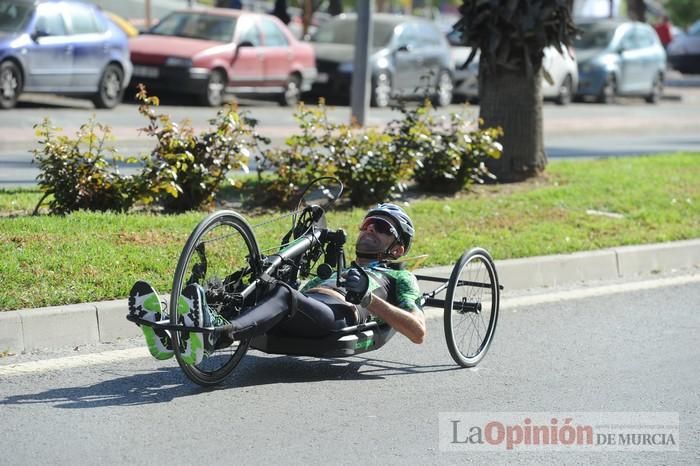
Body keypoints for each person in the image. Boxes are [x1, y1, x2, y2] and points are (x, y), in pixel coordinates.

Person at [128, 203, 426, 365]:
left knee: (284, 295)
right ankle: (168, 332)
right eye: (367, 224)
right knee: (262, 285)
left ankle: (214, 338)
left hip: (338, 315)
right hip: (301, 311)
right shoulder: (339, 264)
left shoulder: (399, 276)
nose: (370, 229)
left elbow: (418, 331)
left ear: (397, 249)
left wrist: (368, 299)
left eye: (383, 228)